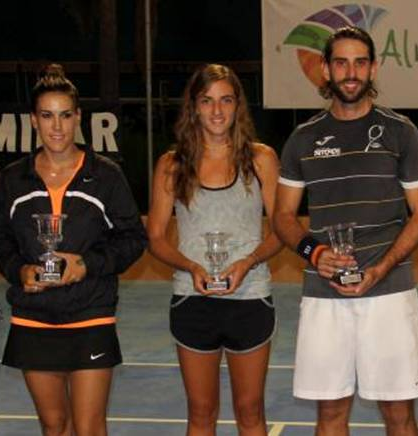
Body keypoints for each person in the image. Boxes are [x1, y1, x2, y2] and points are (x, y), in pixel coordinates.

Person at [273, 26, 418, 436]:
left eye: (360, 62)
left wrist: (380, 269)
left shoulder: (402, 133)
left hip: (390, 291)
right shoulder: (302, 139)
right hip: (324, 293)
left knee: (398, 414)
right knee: (330, 413)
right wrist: (315, 253)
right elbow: (283, 216)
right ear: (325, 70)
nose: (351, 72)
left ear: (373, 68)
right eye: (341, 62)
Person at [0, 64, 147, 436]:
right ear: (33, 120)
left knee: (89, 427)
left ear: (78, 118)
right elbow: (1, 241)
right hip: (33, 317)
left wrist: (86, 265)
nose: (57, 127)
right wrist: (21, 272)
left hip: (90, 313)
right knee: (54, 425)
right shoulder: (13, 178)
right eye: (47, 116)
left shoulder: (105, 175)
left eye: (65, 115)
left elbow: (133, 239)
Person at [146, 63, 282, 435]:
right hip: (193, 300)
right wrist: (191, 266)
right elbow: (156, 237)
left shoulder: (262, 159)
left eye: (225, 100)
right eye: (207, 101)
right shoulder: (171, 165)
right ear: (194, 107)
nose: (217, 111)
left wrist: (249, 261)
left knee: (250, 412)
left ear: (238, 106)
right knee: (201, 414)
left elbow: (283, 229)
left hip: (251, 298)